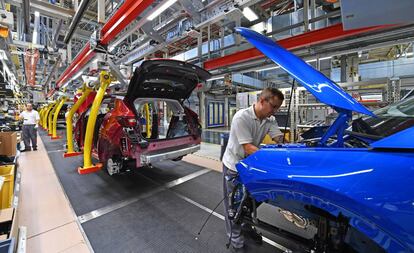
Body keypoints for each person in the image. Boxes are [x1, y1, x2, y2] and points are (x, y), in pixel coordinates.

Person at [222, 87, 285, 251]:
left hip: (250, 165)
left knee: (249, 202)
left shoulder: (269, 119)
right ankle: (236, 241)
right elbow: (248, 147)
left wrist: (284, 144)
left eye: (278, 108)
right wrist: (271, 160)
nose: (275, 111)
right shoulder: (241, 117)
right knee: (233, 206)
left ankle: (247, 227)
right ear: (262, 101)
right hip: (233, 167)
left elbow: (278, 138)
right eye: (274, 106)